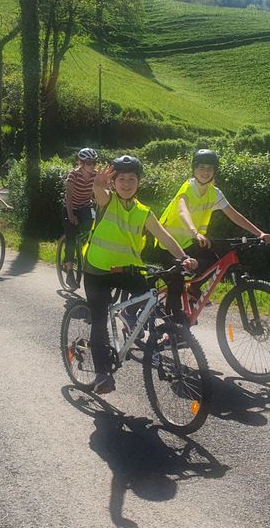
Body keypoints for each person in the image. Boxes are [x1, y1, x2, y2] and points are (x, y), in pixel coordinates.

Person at [83, 155, 197, 395]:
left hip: (128, 269)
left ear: (138, 182)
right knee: (100, 320)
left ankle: (136, 325)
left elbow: (165, 236)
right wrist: (97, 184)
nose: (126, 183)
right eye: (121, 179)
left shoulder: (143, 211)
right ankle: (102, 374)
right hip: (98, 270)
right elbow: (99, 194)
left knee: (151, 300)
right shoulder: (107, 201)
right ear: (114, 183)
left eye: (131, 179)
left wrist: (183, 256)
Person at [155, 148, 270, 323]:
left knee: (216, 262)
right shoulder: (187, 188)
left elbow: (234, 215)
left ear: (214, 171)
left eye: (209, 168)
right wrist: (195, 232)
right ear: (194, 169)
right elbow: (182, 211)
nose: (205, 171)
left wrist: (259, 233)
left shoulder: (214, 192)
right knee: (176, 282)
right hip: (168, 243)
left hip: (188, 242)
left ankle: (194, 287)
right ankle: (173, 325)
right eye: (201, 167)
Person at [62, 147, 99, 287]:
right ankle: (70, 272)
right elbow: (69, 196)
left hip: (85, 206)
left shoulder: (95, 175)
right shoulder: (73, 175)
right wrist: (71, 215)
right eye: (89, 163)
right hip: (70, 207)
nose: (92, 166)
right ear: (81, 163)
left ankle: (87, 260)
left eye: (94, 163)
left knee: (91, 234)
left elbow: (97, 193)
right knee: (71, 238)